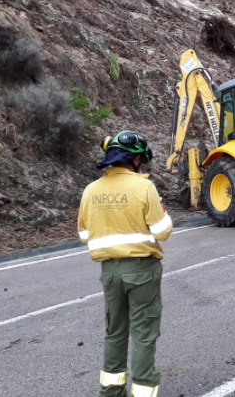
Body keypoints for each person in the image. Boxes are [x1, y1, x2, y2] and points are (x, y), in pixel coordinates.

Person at [78, 131, 173, 397]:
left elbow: (84, 235)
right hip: (142, 270)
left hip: (109, 272)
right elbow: (163, 231)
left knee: (114, 331)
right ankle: (142, 389)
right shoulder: (144, 187)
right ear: (136, 159)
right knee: (144, 333)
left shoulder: (91, 190)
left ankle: (110, 391)